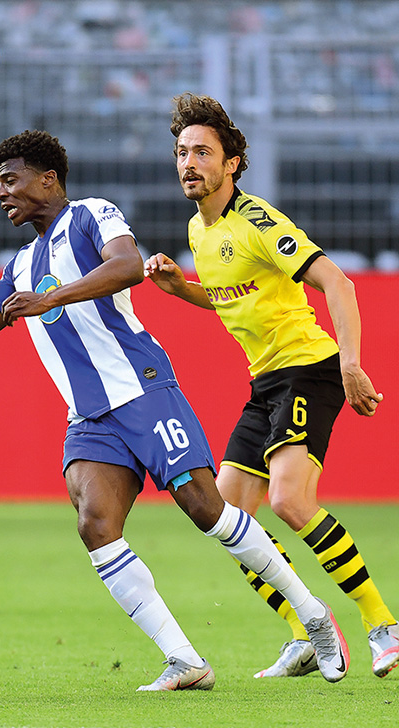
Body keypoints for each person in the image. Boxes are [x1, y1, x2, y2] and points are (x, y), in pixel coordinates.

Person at [0, 129, 352, 691]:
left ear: (48, 179)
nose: (0, 194)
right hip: (90, 417)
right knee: (95, 524)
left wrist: (50, 298)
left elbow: (128, 266)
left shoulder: (91, 214)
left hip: (142, 389)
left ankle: (313, 616)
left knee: (207, 509)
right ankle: (185, 660)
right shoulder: (21, 264)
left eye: (10, 180)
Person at [144, 92, 399, 679]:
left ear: (231, 162)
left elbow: (339, 283)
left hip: (310, 368)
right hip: (265, 382)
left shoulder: (258, 221)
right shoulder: (198, 230)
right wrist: (182, 289)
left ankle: (381, 623)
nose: (189, 163)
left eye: (202, 152)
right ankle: (304, 633)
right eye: (181, 152)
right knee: (227, 515)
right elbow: (233, 299)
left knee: (289, 501)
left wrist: (351, 365)